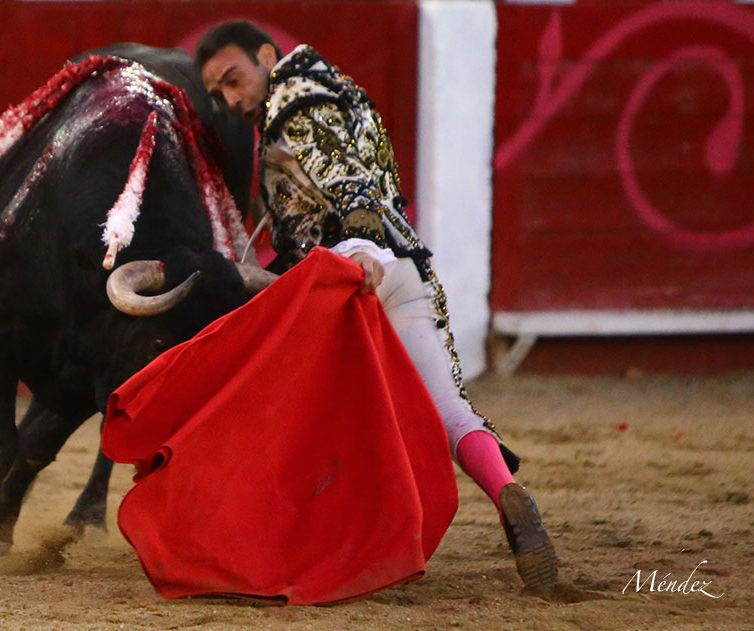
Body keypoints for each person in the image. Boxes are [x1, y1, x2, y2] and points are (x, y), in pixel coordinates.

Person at [196, 20, 558, 591]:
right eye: (219, 93)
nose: (231, 100)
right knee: (448, 413)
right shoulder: (344, 91)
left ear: (268, 56)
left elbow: (353, 189)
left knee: (283, 415)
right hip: (402, 271)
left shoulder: (293, 106)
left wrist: (357, 251)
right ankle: (508, 495)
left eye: (235, 80)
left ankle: (291, 552)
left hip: (347, 283)